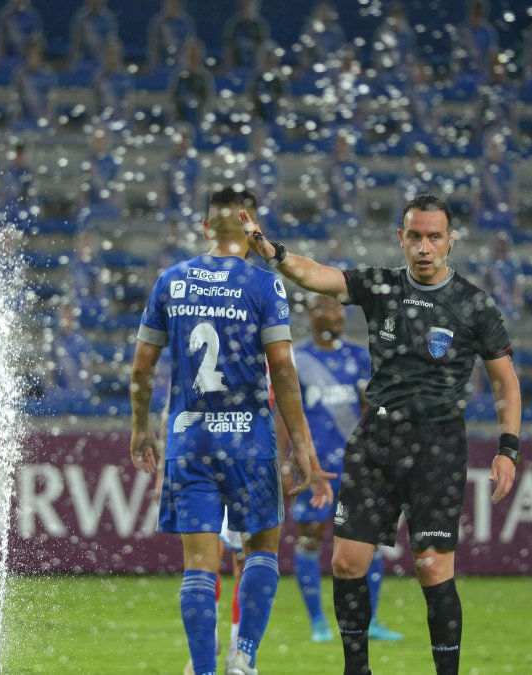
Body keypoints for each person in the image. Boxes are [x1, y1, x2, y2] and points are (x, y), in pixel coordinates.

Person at [245, 193, 522, 675]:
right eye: (414, 236)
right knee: (347, 562)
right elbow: (318, 276)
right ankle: (358, 671)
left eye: (434, 236)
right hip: (377, 439)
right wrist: (277, 254)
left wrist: (508, 448)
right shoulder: (381, 288)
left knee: (433, 568)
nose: (424, 246)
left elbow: (506, 381)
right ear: (401, 238)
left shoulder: (474, 305)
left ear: (450, 240)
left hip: (437, 445)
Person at [129, 187, 332, 675]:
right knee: (261, 548)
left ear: (204, 228)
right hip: (248, 440)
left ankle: (202, 669)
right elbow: (282, 370)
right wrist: (304, 448)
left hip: (189, 438)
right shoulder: (265, 285)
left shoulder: (171, 281)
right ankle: (243, 655)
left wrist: (140, 428)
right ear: (249, 226)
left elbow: (141, 370)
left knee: (199, 564)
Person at [285, 294, 403, 643]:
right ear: (312, 314)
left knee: (369, 543)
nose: (337, 315)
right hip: (315, 466)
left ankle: (371, 621)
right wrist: (288, 458)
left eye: (340, 309)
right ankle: (318, 621)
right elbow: (286, 415)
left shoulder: (358, 356)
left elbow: (375, 409)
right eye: (330, 308)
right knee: (311, 538)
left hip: (357, 466)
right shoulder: (297, 359)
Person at [11, 38, 56, 132]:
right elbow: (16, 99)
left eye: (34, 56)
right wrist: (14, 119)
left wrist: (49, 120)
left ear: (40, 57)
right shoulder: (21, 74)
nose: (31, 59)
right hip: (25, 117)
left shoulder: (47, 74)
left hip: (42, 117)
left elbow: (51, 100)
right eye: (30, 56)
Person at [475, 133, 515, 232]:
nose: (495, 150)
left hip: (502, 210)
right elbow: (478, 194)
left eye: (498, 147)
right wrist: (478, 211)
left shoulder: (507, 170)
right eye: (493, 147)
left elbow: (511, 193)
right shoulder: (482, 168)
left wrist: (510, 211)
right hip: (486, 210)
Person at [147, 0, 197, 76]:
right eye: (169, 3)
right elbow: (154, 45)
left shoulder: (186, 23)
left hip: (180, 62)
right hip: (162, 62)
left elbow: (190, 45)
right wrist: (152, 64)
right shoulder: (159, 22)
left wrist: (188, 65)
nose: (172, 6)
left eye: (175, 4)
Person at [0, 0, 43, 72]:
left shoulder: (33, 17)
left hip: (27, 61)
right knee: (1, 65)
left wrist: (33, 61)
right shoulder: (5, 17)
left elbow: (36, 44)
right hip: (9, 61)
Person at [68, 0, 117, 74]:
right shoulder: (80, 18)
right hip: (85, 61)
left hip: (103, 62)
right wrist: (73, 62)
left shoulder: (108, 19)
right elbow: (76, 44)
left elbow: (112, 44)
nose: (95, 2)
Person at [221, 0, 269, 75]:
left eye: (249, 6)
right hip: (236, 67)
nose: (247, 9)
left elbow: (263, 49)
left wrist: (261, 68)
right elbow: (228, 49)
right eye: (244, 6)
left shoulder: (260, 26)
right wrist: (228, 68)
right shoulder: (234, 25)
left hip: (255, 67)